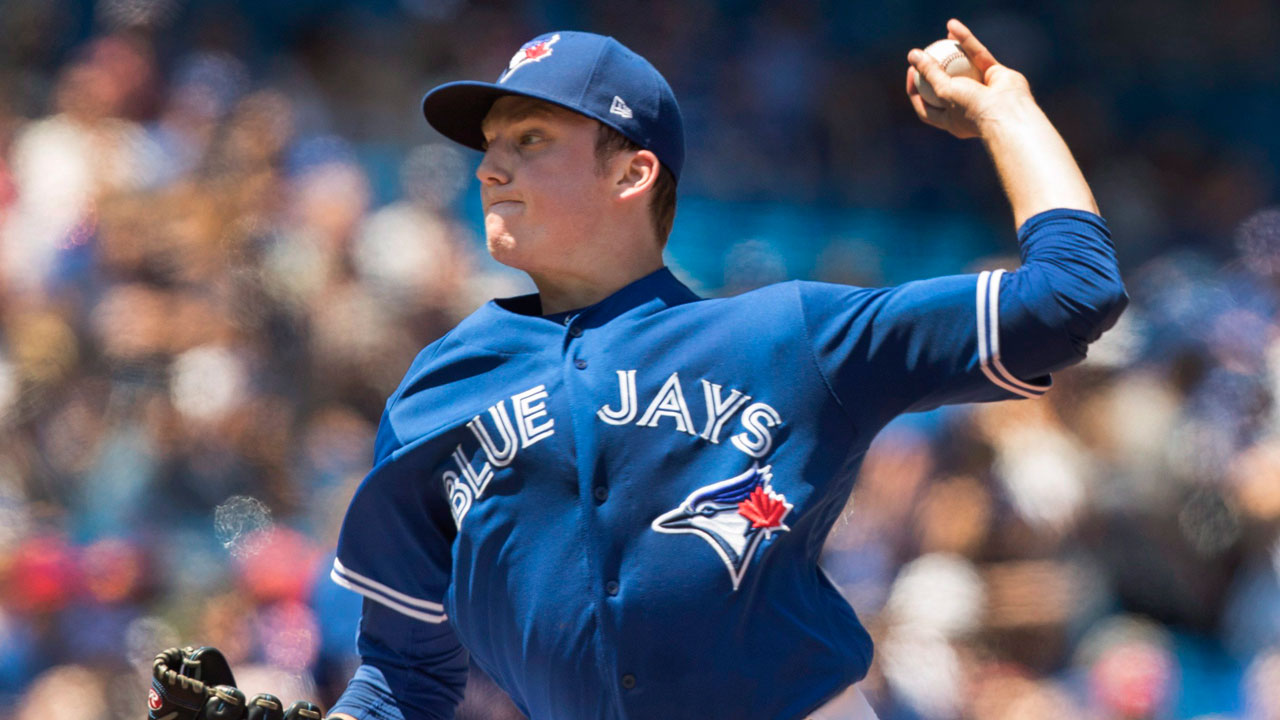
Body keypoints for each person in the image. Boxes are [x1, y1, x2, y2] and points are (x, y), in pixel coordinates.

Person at [323, 21, 1127, 720]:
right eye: (491, 146)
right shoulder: (435, 392)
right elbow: (403, 678)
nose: (489, 169)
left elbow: (1070, 293)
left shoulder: (788, 335)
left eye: (529, 141)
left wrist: (1005, 109)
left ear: (631, 173)